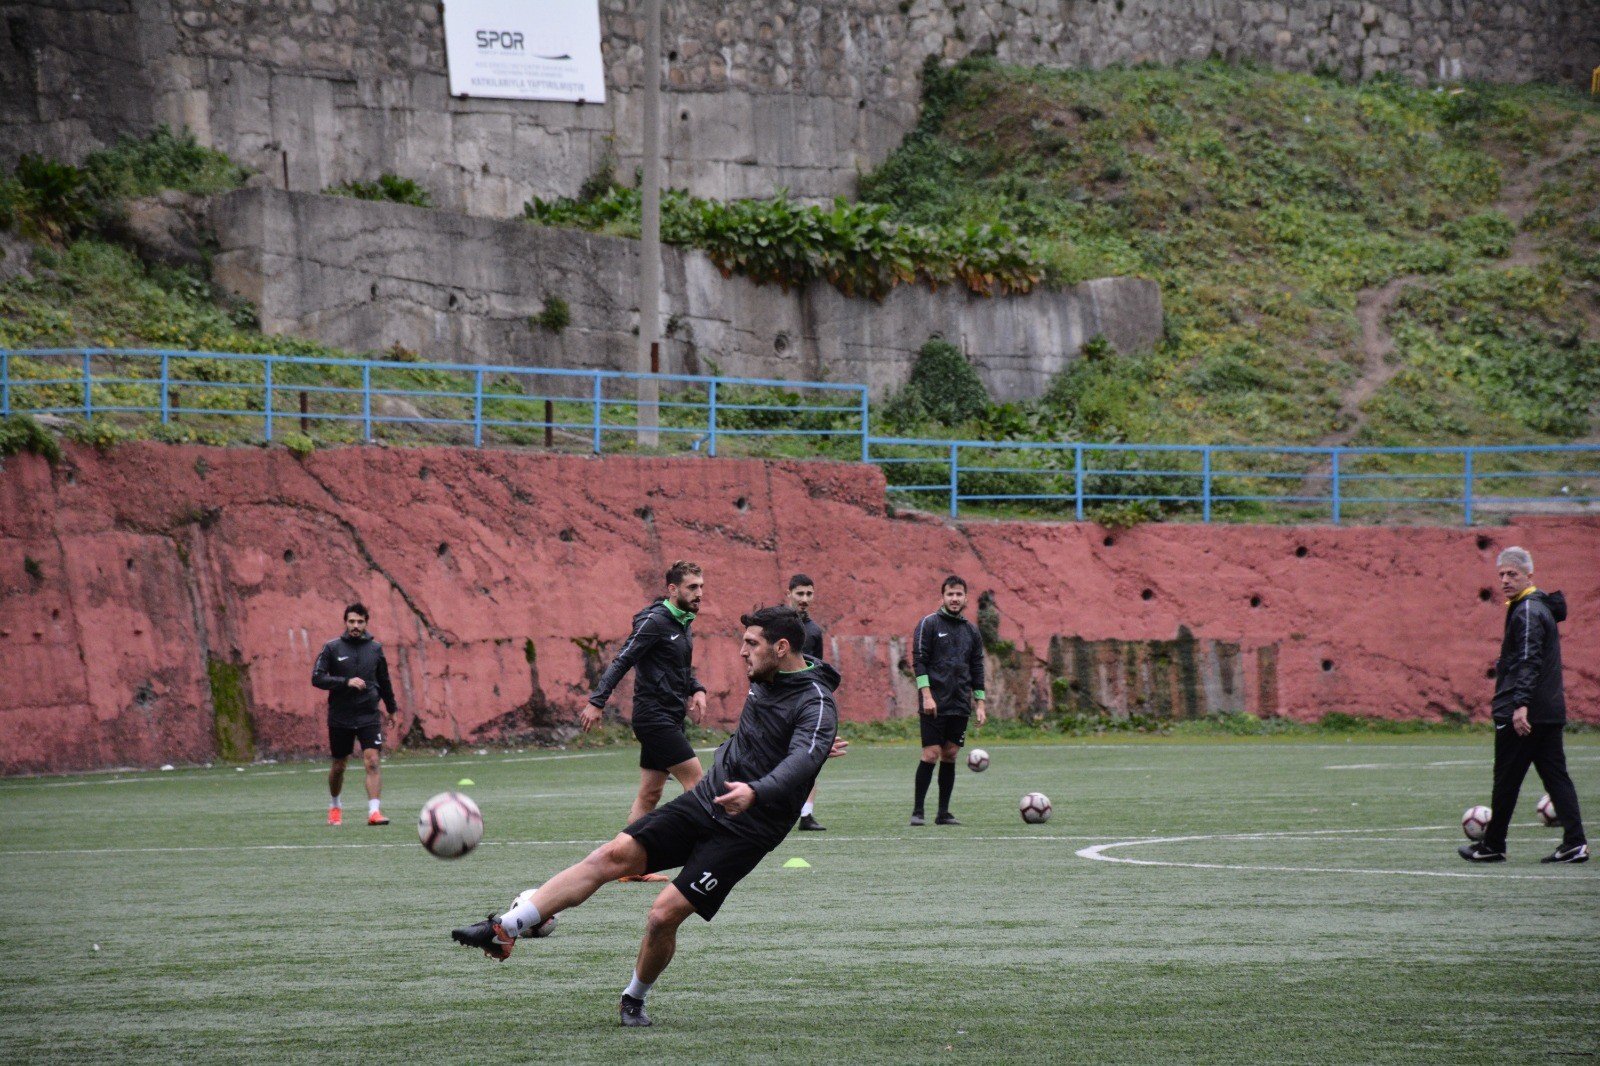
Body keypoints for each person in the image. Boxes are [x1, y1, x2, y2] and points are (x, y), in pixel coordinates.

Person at [451, 605, 843, 1028]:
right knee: (611, 855)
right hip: (709, 799)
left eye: (751, 643)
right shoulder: (767, 677)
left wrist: (759, 788)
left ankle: (633, 1000)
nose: (742, 651)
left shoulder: (816, 701)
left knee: (662, 915)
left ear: (781, 648)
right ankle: (504, 928)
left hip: (747, 830)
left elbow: (800, 761)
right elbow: (773, 740)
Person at [1460, 546, 1587, 864]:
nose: (1505, 579)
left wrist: (1520, 705)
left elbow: (1529, 659)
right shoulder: (1534, 607)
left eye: (1512, 574)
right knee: (1556, 777)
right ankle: (1575, 842)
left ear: (1529, 575)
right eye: (1501, 574)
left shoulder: (1528, 610)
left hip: (1526, 713)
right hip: (1548, 711)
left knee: (1506, 779)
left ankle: (1493, 845)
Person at [583, 561, 710, 825]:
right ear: (673, 589)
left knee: (649, 795)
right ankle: (698, 853)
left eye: (701, 586)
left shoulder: (683, 621)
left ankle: (627, 861)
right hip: (654, 718)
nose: (699, 593)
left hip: (671, 717)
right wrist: (597, 702)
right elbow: (623, 660)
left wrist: (696, 688)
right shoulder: (655, 622)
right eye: (692, 587)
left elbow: (678, 667)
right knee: (698, 785)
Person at [311, 602, 398, 826]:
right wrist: (345, 682)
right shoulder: (332, 648)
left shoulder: (375, 649)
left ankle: (374, 812)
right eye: (351, 621)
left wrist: (391, 708)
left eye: (360, 622)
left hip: (368, 714)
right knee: (339, 765)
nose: (355, 626)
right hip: (341, 715)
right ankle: (335, 805)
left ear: (366, 623)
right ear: (345, 622)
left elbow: (385, 681)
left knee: (373, 761)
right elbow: (317, 678)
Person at [910, 575, 986, 827]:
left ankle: (943, 813)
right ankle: (918, 811)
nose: (954, 599)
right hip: (934, 702)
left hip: (959, 703)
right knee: (931, 753)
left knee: (950, 754)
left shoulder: (971, 631)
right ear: (942, 597)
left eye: (959, 594)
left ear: (965, 598)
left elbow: (977, 667)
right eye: (950, 594)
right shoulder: (928, 624)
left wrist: (980, 702)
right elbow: (919, 661)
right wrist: (927, 695)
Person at [786, 573, 829, 831]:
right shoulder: (777, 624)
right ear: (789, 594)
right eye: (800, 593)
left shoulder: (814, 631)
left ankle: (807, 815)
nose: (804, 599)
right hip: (779, 701)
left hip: (807, 703)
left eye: (808, 594)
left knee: (810, 756)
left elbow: (819, 668)